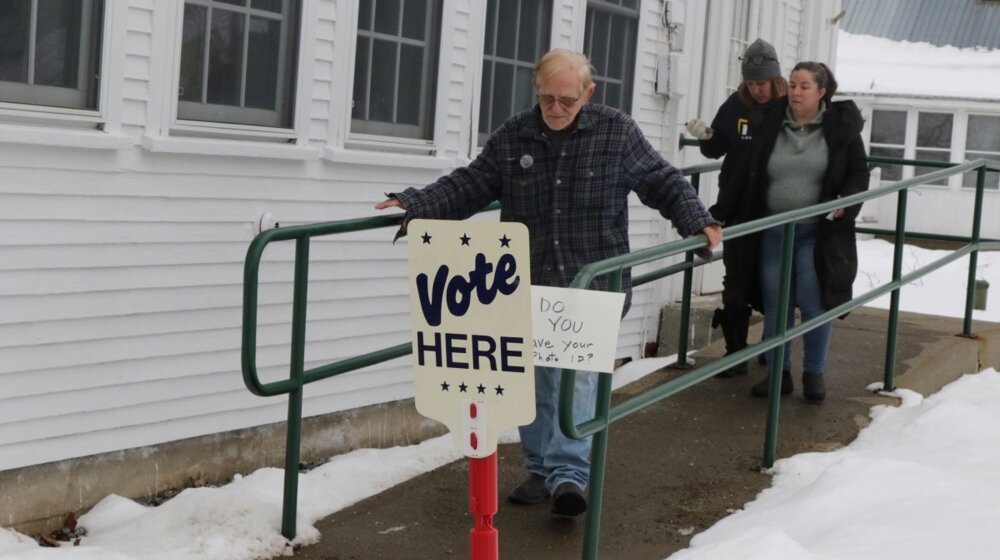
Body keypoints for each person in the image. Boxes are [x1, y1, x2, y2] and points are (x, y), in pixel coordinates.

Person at [376, 49, 722, 518]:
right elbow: (471, 184)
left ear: (588, 94)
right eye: (547, 100)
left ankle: (568, 475)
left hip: (592, 281)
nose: (556, 110)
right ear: (535, 92)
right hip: (530, 280)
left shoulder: (616, 132)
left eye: (567, 100)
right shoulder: (514, 134)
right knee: (536, 381)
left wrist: (697, 221)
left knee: (575, 381)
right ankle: (540, 468)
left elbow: (662, 181)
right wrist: (415, 203)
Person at [714, 61, 869, 401]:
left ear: (822, 92)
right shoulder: (769, 121)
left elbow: (859, 173)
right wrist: (721, 212)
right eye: (793, 85)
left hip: (817, 232)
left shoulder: (841, 128)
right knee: (775, 302)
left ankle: (814, 373)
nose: (796, 92)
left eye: (805, 87)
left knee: (814, 299)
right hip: (773, 229)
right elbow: (745, 170)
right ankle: (778, 373)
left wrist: (847, 202)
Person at [684, 38, 788, 377]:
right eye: (752, 82)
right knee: (736, 283)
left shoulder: (788, 107)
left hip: (777, 209)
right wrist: (705, 134)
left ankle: (773, 349)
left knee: (774, 284)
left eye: (763, 82)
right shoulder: (735, 105)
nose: (757, 89)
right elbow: (715, 150)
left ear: (775, 79)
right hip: (739, 206)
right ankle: (735, 353)